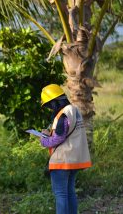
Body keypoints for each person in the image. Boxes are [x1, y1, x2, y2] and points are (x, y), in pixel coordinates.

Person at [39, 84, 92, 214]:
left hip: (62, 161)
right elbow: (67, 133)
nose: (50, 109)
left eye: (49, 105)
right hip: (75, 160)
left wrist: (44, 141)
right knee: (70, 193)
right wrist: (49, 134)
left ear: (54, 102)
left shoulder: (63, 114)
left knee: (61, 195)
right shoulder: (73, 110)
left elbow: (58, 138)